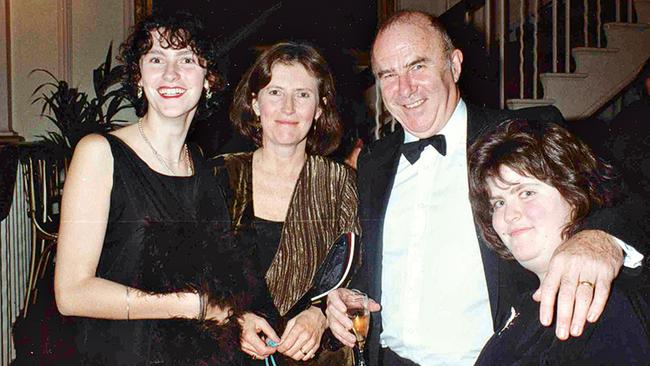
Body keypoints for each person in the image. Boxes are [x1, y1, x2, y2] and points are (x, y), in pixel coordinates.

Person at [325, 10, 647, 366]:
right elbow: (380, 263)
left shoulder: (521, 132)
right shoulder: (373, 162)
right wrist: (350, 294)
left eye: (417, 66)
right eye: (388, 74)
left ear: (455, 65)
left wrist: (600, 238)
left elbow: (627, 199)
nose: (404, 89)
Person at [54, 13, 249, 365]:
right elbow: (71, 293)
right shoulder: (99, 153)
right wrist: (190, 306)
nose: (170, 74)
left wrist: (240, 319)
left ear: (209, 79)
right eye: (156, 59)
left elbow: (214, 284)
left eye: (187, 59)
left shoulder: (202, 167)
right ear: (139, 77)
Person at [211, 42, 360, 365]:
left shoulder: (339, 182)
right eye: (275, 92)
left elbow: (358, 274)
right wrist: (232, 318)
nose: (288, 108)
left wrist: (320, 314)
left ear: (320, 108)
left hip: (316, 358)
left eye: (303, 95)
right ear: (255, 102)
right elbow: (189, 275)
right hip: (226, 354)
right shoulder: (217, 175)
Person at [469, 119, 650, 364]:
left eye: (527, 193)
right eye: (498, 203)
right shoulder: (530, 303)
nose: (508, 215)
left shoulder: (599, 305)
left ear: (574, 196)